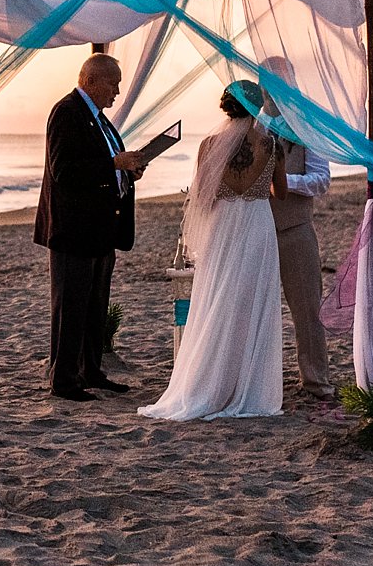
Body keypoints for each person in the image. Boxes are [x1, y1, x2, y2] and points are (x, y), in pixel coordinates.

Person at [140, 80, 285, 421]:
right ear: (256, 108)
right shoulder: (270, 143)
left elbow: (203, 195)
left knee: (216, 299)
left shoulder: (209, 145)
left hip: (223, 228)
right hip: (256, 226)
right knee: (252, 304)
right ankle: (245, 386)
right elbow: (283, 193)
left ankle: (208, 383)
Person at [33, 53, 152, 401]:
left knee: (95, 306)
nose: (117, 92)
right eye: (113, 84)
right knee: (70, 306)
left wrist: (127, 169)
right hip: (74, 230)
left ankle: (91, 371)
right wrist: (114, 162)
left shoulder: (100, 120)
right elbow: (64, 171)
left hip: (101, 229)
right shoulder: (67, 112)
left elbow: (103, 166)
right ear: (90, 80)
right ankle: (65, 381)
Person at [260, 57, 335, 399]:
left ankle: (316, 380)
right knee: (254, 310)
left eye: (277, 83)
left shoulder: (308, 127)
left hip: (294, 228)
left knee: (306, 309)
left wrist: (281, 182)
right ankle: (258, 381)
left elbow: (321, 180)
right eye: (265, 83)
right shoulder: (254, 123)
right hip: (255, 230)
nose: (269, 91)